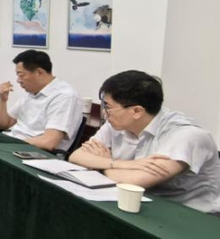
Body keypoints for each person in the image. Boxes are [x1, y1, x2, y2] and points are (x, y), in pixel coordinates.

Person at [70, 70, 220, 214]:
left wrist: (100, 165)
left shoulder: (186, 135)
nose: (104, 113)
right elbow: (76, 156)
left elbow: (134, 182)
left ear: (137, 111)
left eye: (108, 107)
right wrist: (118, 164)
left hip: (193, 215)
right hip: (142, 203)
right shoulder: (117, 123)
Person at [0, 49, 82, 152]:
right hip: (14, 143)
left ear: (39, 72)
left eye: (21, 75)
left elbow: (49, 142)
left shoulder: (64, 96)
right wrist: (3, 100)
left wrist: (12, 143)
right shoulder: (31, 92)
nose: (18, 80)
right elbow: (4, 124)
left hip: (34, 151)